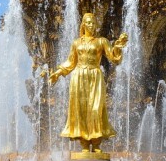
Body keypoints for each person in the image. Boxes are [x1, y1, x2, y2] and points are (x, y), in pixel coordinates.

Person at [49, 12, 127, 153]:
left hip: (95, 76)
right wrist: (58, 72)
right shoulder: (76, 43)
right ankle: (84, 143)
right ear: (83, 24)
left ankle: (96, 142)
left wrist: (118, 46)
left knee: (96, 109)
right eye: (89, 22)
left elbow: (114, 59)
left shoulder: (101, 41)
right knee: (81, 110)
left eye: (93, 23)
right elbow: (71, 62)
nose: (91, 25)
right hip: (78, 77)